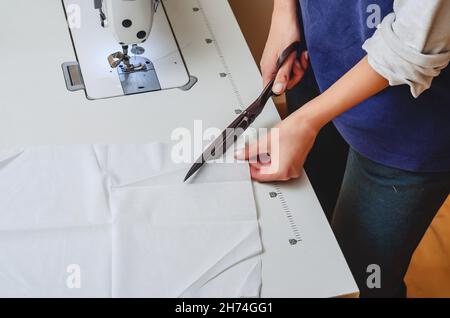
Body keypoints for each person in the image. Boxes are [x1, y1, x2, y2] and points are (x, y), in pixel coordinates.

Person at [236, 0, 450, 297]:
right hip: (318, 66)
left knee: (367, 273)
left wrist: (307, 121)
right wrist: (284, 14)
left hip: (408, 125)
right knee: (312, 218)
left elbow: (411, 43)